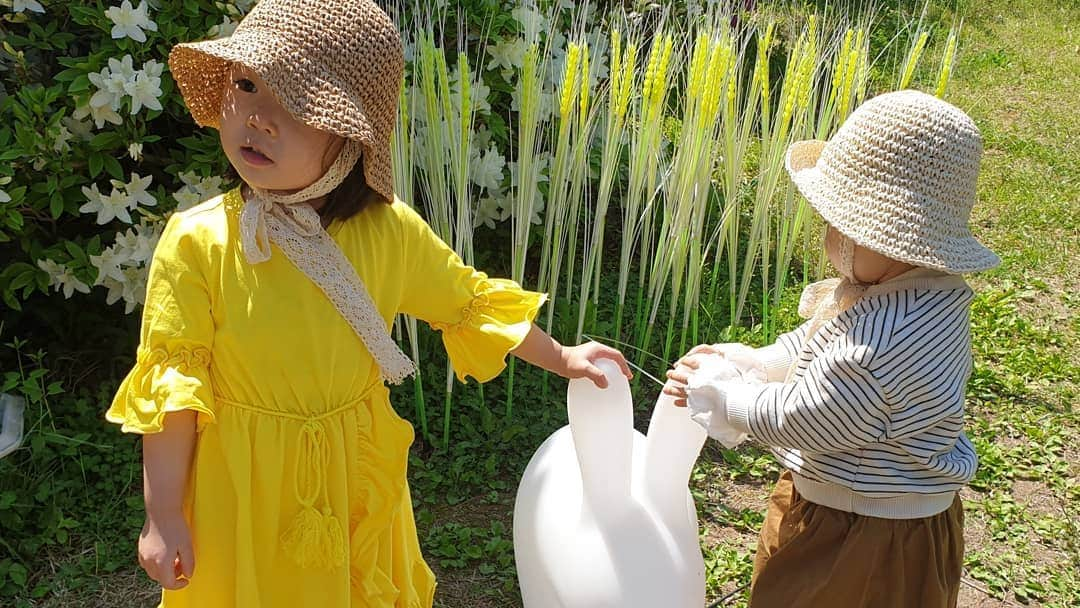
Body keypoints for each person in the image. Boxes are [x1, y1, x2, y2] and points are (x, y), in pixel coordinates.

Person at [105, 1, 630, 605]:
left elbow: (466, 303)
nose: (259, 117)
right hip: (240, 486)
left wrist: (562, 356)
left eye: (298, 103)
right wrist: (164, 513)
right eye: (247, 84)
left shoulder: (388, 234)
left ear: (352, 138)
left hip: (351, 474)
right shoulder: (198, 242)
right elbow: (173, 383)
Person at [664, 89, 999, 608]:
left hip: (862, 534)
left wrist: (730, 397)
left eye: (831, 224)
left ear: (873, 238)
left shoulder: (882, 344)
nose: (824, 236)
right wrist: (756, 361)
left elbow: (810, 417)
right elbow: (815, 341)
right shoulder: (916, 292)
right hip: (864, 503)